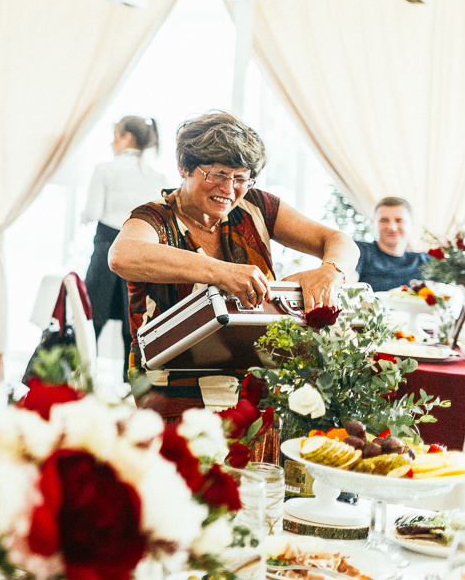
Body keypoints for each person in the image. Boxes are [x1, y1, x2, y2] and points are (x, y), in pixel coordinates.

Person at [108, 111, 358, 413]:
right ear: (183, 168)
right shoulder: (155, 218)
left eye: (240, 178)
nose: (228, 190)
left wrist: (331, 272)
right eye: (216, 174)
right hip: (169, 385)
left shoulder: (256, 205)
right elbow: (122, 256)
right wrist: (222, 273)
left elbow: (340, 241)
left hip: (254, 379)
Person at [82, 115, 166, 365]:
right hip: (141, 252)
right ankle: (132, 386)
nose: (111, 143)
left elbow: (92, 213)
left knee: (92, 321)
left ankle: (83, 380)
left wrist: (82, 217)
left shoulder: (105, 170)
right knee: (133, 327)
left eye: (115, 136)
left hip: (107, 248)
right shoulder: (158, 178)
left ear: (126, 138)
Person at [353, 196, 429, 292]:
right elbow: (347, 279)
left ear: (411, 224)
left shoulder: (424, 260)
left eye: (399, 220)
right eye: (384, 220)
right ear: (373, 223)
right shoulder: (360, 251)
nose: (392, 227)